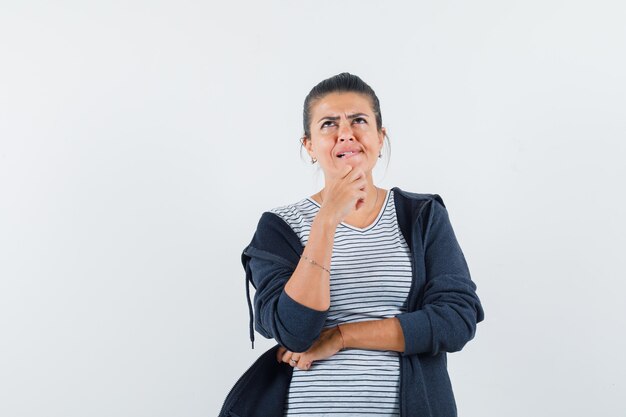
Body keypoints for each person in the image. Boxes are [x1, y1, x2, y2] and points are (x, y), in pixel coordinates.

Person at [241, 72, 484, 417]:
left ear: (380, 137)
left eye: (358, 120)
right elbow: (295, 332)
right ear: (309, 145)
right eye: (328, 124)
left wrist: (342, 336)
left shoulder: (421, 216)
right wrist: (326, 220)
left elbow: (456, 320)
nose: (345, 133)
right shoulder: (280, 228)